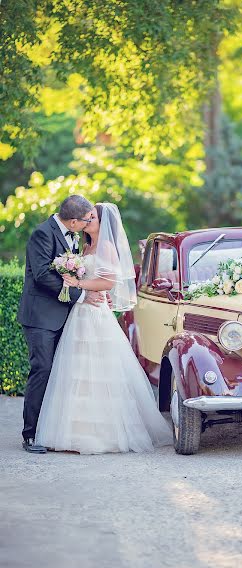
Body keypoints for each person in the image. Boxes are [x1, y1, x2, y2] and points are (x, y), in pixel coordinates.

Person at [35, 202, 172, 454]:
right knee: (76, 369)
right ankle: (72, 432)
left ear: (103, 222)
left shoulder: (107, 246)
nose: (88, 221)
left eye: (93, 218)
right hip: (80, 313)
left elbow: (108, 282)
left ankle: (102, 434)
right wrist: (79, 286)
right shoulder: (83, 246)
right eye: (86, 218)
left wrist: (79, 283)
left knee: (99, 369)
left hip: (96, 314)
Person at [18, 194, 110, 454]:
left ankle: (52, 430)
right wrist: (81, 295)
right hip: (41, 319)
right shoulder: (42, 234)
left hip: (66, 316)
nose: (89, 223)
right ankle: (31, 434)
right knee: (43, 370)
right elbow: (43, 276)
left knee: (62, 374)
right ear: (72, 222)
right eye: (86, 220)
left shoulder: (75, 238)